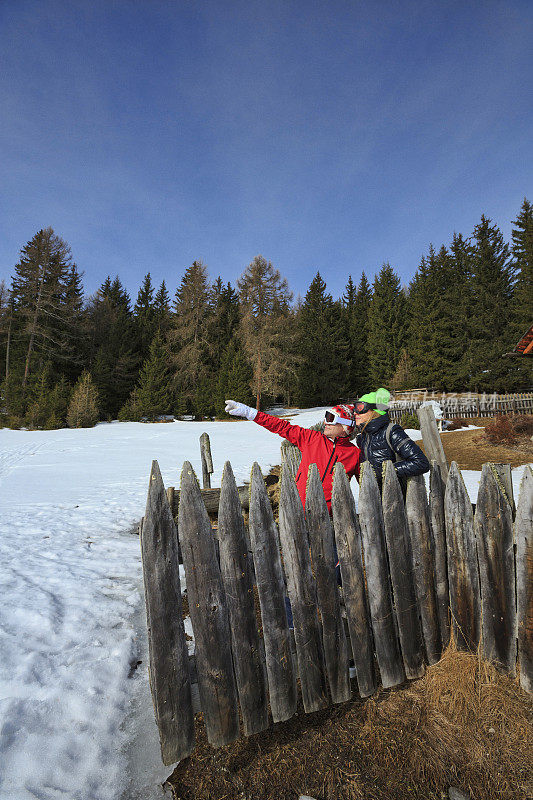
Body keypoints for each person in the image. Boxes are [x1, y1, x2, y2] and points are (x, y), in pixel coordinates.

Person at [224, 400, 360, 511]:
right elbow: (282, 427)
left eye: (331, 418)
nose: (325, 422)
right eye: (326, 416)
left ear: (345, 427)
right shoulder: (312, 438)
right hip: (298, 510)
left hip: (332, 517)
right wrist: (250, 413)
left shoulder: (354, 454)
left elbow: (367, 485)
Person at [353, 388, 430, 490]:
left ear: (375, 411)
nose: (355, 413)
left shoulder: (392, 432)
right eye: (354, 408)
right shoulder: (363, 437)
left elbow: (420, 462)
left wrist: (388, 471)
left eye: (360, 407)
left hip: (395, 497)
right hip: (373, 499)